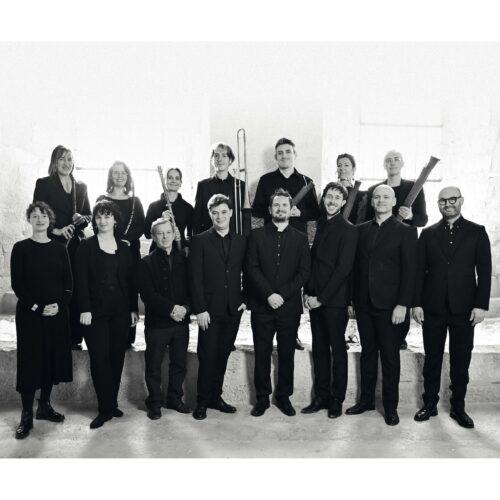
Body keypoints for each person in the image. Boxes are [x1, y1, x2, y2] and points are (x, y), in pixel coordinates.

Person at [412, 186, 491, 429]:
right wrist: (416, 303)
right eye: (442, 201)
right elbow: (418, 271)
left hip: (464, 309)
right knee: (432, 360)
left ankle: (458, 407)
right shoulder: (428, 233)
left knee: (460, 361)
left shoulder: (477, 232)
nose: (447, 204)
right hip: (432, 307)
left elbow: (484, 271)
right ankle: (429, 404)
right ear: (438, 204)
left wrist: (480, 306)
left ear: (461, 201)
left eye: (452, 199)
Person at [347, 185, 417, 426]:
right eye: (377, 197)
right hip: (364, 303)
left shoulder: (406, 231)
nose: (381, 200)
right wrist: (352, 300)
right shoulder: (360, 230)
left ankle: (390, 407)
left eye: (386, 196)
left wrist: (403, 304)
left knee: (389, 357)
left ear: (394, 201)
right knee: (367, 354)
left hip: (391, 306)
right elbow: (355, 269)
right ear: (372, 202)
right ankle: (366, 401)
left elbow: (410, 271)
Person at [10, 202, 73, 439]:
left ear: (50, 220)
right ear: (29, 220)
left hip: (56, 315)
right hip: (30, 316)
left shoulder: (60, 249)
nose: (39, 219)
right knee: (30, 363)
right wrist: (37, 307)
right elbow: (18, 285)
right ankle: (26, 414)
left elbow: (68, 285)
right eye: (34, 215)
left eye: (43, 215)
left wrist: (59, 305)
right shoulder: (20, 248)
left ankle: (44, 406)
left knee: (49, 361)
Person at [247, 188, 311, 417]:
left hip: (289, 307)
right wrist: (268, 295)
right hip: (261, 306)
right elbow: (251, 268)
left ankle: (284, 397)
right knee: (262, 354)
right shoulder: (256, 235)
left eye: (285, 205)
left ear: (291, 209)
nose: (280, 209)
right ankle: (262, 399)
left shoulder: (301, 238)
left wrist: (281, 295)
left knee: (287, 355)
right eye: (276, 205)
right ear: (270, 209)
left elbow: (304, 272)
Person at [75, 200, 138, 429]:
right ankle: (104, 409)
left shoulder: (124, 247)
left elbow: (130, 282)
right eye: (99, 216)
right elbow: (80, 280)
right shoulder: (86, 246)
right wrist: (84, 308)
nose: (102, 220)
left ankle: (111, 403)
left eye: (107, 216)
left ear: (115, 219)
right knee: (100, 359)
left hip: (120, 312)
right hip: (94, 313)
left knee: (116, 358)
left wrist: (133, 308)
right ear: (94, 220)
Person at [252, 138, 320, 350]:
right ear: (275, 157)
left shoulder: (306, 181)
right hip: (269, 239)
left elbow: (316, 212)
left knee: (292, 285)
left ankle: (293, 333)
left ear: (294, 154)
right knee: (268, 280)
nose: (284, 155)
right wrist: (276, 210)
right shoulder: (265, 180)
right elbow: (256, 210)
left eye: (288, 152)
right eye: (280, 153)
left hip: (295, 239)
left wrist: (300, 213)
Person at [359, 150, 428, 350]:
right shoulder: (374, 190)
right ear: (384, 164)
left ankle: (399, 336)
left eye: (396, 159)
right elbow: (366, 220)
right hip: (378, 245)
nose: (392, 163)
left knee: (401, 281)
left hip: (403, 242)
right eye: (388, 160)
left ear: (403, 163)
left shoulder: (414, 187)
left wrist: (411, 216)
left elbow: (423, 219)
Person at [302, 183, 358, 419]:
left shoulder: (349, 230)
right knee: (320, 350)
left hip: (333, 301)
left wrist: (322, 298)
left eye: (337, 197)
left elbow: (343, 269)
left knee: (337, 351)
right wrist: (307, 294)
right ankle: (321, 397)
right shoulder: (319, 224)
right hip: (314, 299)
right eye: (329, 196)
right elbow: (313, 263)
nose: (332, 200)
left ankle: (337, 400)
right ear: (323, 199)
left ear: (343, 202)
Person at [189, 194, 247, 420]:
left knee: (222, 355)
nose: (219, 216)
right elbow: (194, 278)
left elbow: (249, 271)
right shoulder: (200, 240)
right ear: (210, 214)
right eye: (215, 213)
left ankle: (216, 397)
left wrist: (245, 299)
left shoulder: (241, 240)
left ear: (231, 213)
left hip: (233, 309)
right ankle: (202, 401)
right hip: (209, 311)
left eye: (223, 212)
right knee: (207, 356)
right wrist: (200, 309)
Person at [33, 145, 91, 351]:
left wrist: (82, 219)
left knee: (74, 289)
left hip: (76, 246)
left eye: (70, 159)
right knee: (55, 289)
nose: (67, 163)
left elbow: (89, 215)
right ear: (54, 162)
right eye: (62, 159)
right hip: (53, 244)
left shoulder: (81, 186)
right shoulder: (44, 183)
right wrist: (56, 230)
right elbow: (37, 213)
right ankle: (55, 336)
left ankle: (74, 337)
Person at [136, 217, 192, 420]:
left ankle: (175, 399)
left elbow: (192, 288)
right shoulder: (145, 263)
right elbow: (147, 295)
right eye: (160, 233)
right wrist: (171, 309)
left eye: (168, 232)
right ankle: (154, 402)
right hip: (157, 324)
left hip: (181, 321)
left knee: (179, 364)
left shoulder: (185, 259)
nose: (165, 236)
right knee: (153, 366)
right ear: (153, 237)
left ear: (173, 233)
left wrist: (185, 308)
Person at [96, 161, 145, 348]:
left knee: (129, 286)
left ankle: (127, 334)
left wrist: (125, 241)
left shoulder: (135, 201)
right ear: (110, 176)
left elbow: (141, 226)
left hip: (130, 251)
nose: (119, 176)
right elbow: (97, 223)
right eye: (115, 172)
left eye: (123, 172)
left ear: (128, 176)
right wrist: (114, 242)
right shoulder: (102, 198)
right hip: (106, 250)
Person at [193, 142, 250, 235]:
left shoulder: (241, 185)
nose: (220, 159)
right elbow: (197, 218)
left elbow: (246, 217)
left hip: (234, 238)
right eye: (216, 155)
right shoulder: (203, 186)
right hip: (209, 239)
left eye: (224, 155)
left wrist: (246, 239)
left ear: (230, 160)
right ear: (212, 160)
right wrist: (197, 240)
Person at [145, 167, 193, 253]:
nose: (173, 181)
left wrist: (187, 246)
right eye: (170, 178)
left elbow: (191, 235)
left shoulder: (188, 207)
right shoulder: (153, 206)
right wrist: (160, 220)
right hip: (157, 253)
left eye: (177, 178)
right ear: (165, 181)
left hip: (179, 252)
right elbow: (147, 234)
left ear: (180, 183)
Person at [336, 153, 365, 225]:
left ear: (353, 170)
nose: (342, 168)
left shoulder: (361, 196)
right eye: (339, 165)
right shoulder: (329, 192)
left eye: (346, 165)